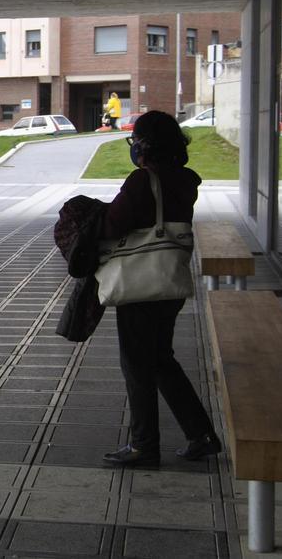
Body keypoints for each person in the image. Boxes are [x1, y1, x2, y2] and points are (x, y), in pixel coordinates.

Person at [100, 111, 221, 466]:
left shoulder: (143, 181)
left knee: (138, 364)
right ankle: (201, 434)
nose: (133, 146)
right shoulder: (185, 179)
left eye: (135, 139)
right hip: (169, 281)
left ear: (145, 145)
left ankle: (143, 445)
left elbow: (113, 223)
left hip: (142, 284)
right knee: (160, 360)